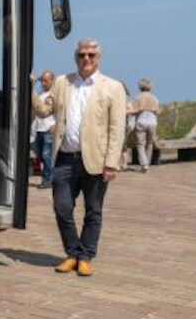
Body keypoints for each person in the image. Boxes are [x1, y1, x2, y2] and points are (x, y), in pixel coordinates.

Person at [31, 39, 126, 277]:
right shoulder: (63, 83)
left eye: (91, 55)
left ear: (98, 58)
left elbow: (117, 128)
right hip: (65, 158)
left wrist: (111, 163)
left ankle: (85, 256)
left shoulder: (113, 87)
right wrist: (29, 87)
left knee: (93, 211)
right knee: (62, 208)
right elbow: (43, 110)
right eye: (82, 55)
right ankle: (72, 252)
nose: (86, 59)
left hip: (96, 160)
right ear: (76, 58)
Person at [31, 70, 56, 188]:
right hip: (39, 129)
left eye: (46, 81)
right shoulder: (41, 96)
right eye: (42, 81)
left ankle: (47, 180)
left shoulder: (55, 95)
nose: (43, 83)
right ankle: (50, 176)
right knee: (41, 156)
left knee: (46, 155)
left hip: (48, 130)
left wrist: (56, 125)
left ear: (52, 80)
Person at [131, 78, 160, 172]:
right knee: (150, 144)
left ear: (140, 87)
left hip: (141, 121)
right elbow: (157, 111)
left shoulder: (137, 98)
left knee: (140, 144)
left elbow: (134, 110)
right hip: (152, 122)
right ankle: (147, 162)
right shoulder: (154, 98)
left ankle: (144, 164)